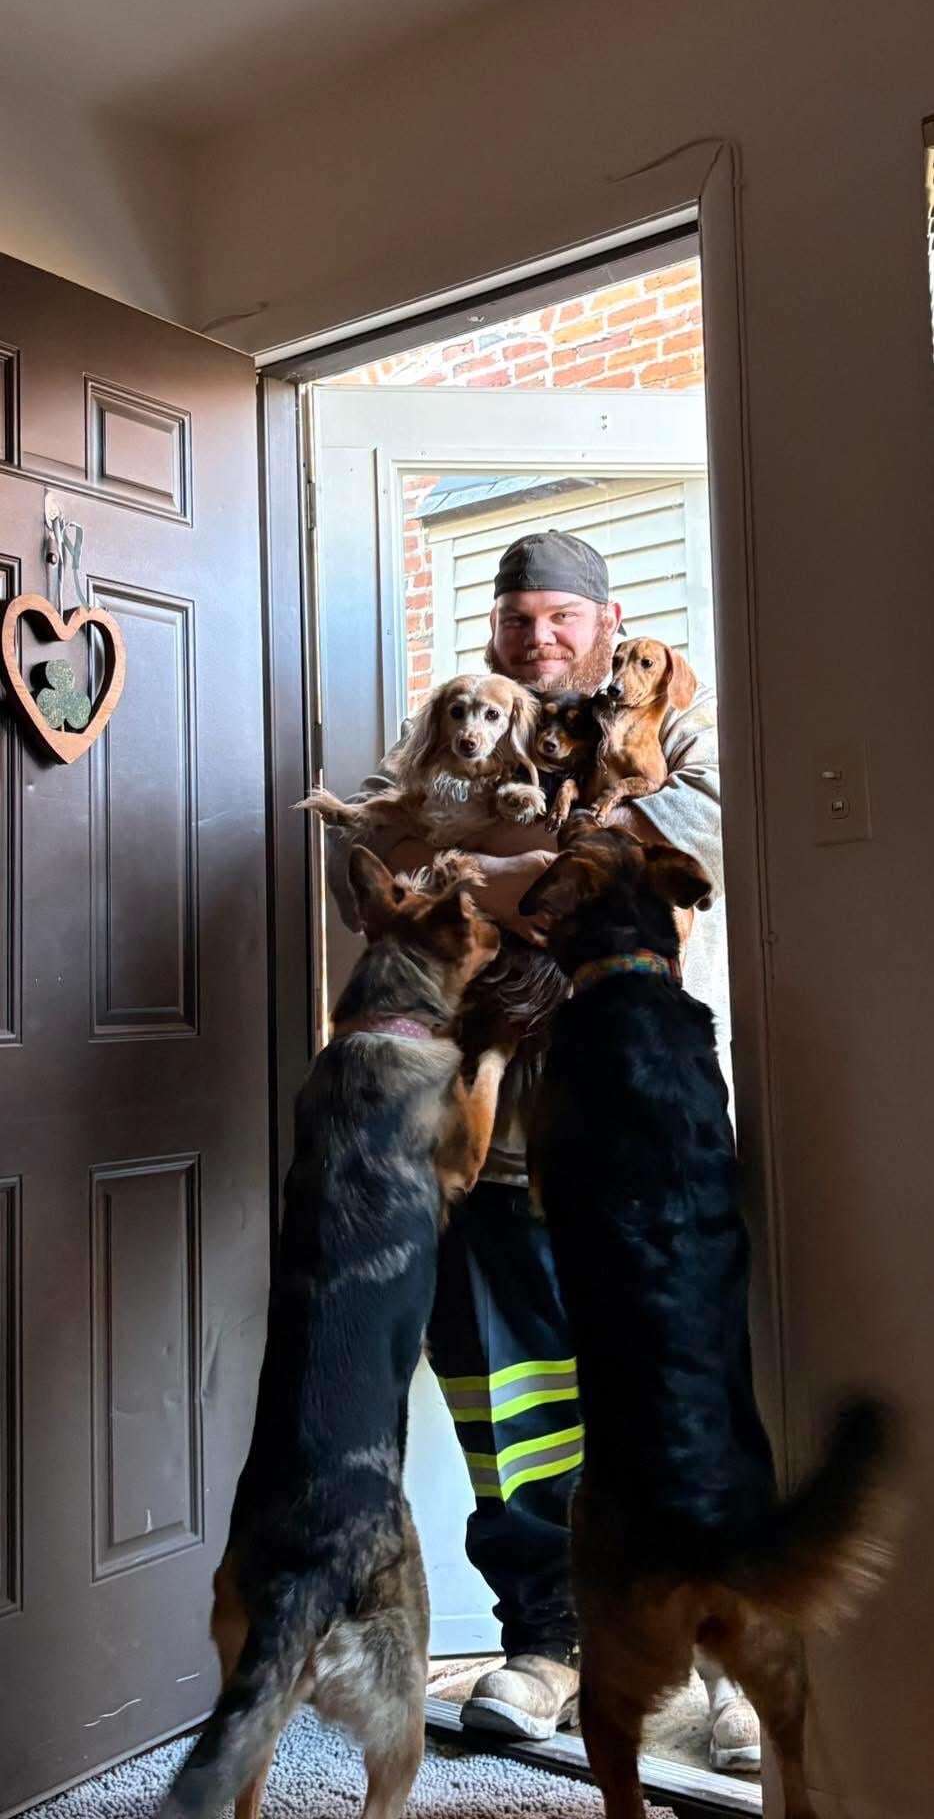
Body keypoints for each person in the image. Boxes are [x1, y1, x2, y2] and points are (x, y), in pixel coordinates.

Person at [325, 530, 761, 1775]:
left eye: (561, 615)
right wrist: (521, 866)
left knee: (678, 1378)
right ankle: (549, 1640)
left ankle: (719, 1653)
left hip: (643, 1112)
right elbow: (372, 875)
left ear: (607, 622)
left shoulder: (675, 722)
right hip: (492, 1133)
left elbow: (704, 844)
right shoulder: (451, 729)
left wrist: (496, 868)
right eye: (517, 617)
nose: (538, 637)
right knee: (509, 1399)